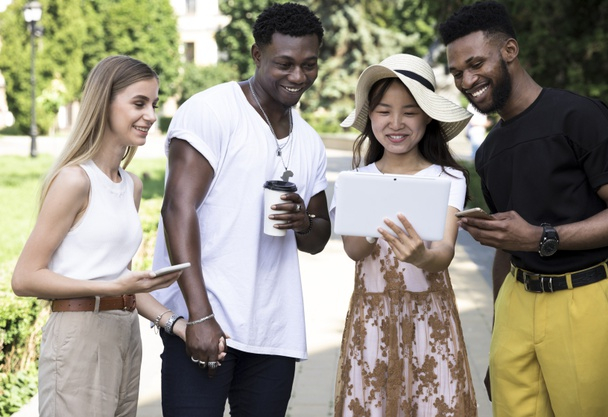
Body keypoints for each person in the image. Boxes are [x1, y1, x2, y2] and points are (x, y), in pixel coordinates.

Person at [439, 2, 608, 416]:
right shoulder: (488, 152)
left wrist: (542, 237)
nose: (467, 80)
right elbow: (507, 247)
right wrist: (497, 337)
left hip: (584, 299)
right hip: (516, 305)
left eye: (475, 64)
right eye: (456, 73)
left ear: (509, 50)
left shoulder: (580, 116)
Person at [150, 3, 330, 416]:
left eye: (308, 64)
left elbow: (319, 237)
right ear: (256, 54)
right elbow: (177, 208)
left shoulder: (309, 141)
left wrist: (304, 222)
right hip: (204, 322)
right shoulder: (213, 110)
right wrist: (198, 316)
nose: (298, 76)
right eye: (284, 63)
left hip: (274, 334)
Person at [11, 55, 187, 417]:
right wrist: (112, 288)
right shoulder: (75, 180)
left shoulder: (131, 186)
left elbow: (123, 281)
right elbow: (26, 277)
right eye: (138, 103)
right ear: (104, 103)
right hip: (79, 335)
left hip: (124, 335)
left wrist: (178, 325)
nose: (151, 116)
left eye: (153, 104)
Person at [331, 53, 477, 416]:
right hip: (372, 320)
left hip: (431, 317)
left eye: (410, 112)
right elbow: (353, 251)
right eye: (383, 111)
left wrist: (420, 257)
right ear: (370, 117)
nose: (396, 123)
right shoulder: (357, 180)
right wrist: (371, 210)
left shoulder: (448, 178)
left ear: (427, 117)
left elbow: (444, 251)